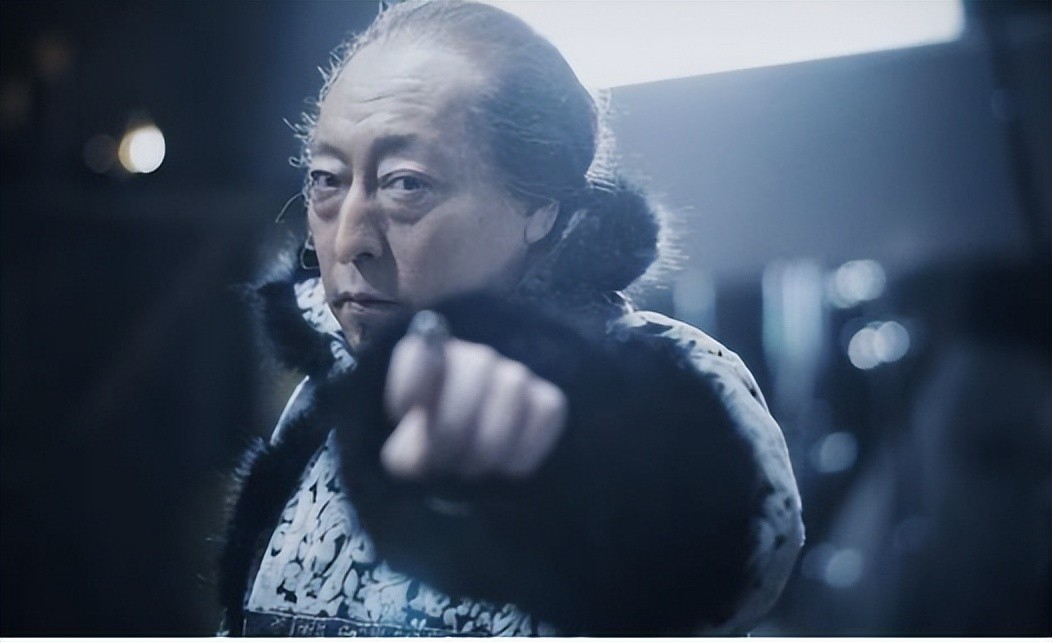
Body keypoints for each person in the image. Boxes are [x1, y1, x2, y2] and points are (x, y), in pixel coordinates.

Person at [219, 0, 803, 636]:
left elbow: (740, 546)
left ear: (540, 206)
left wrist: (567, 455)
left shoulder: (664, 379)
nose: (348, 240)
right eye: (327, 180)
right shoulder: (326, 400)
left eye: (406, 184)